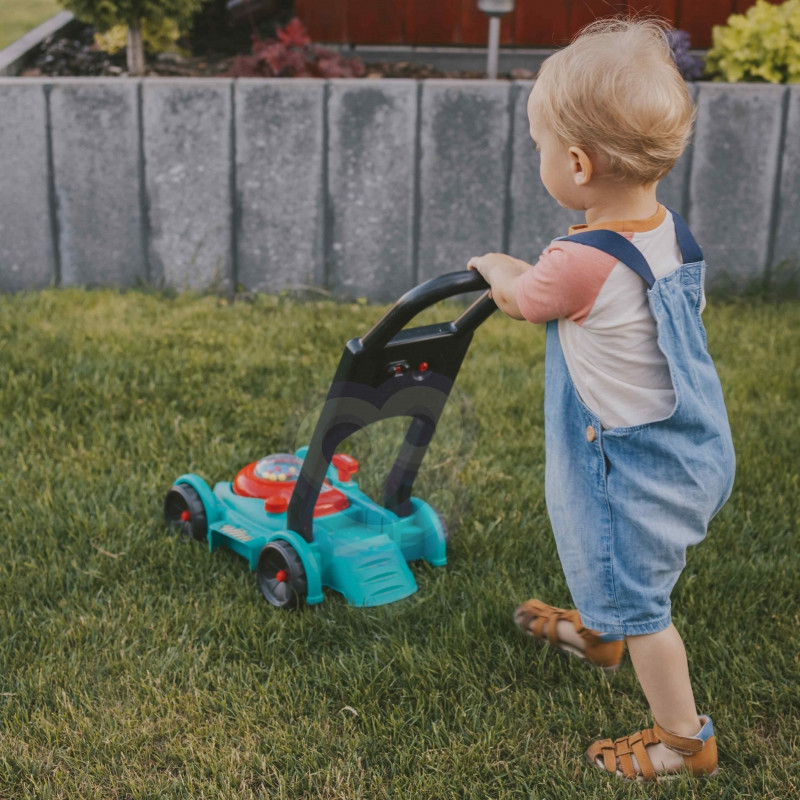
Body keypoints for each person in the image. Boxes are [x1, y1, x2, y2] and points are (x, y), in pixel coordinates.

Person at [468, 18, 735, 782]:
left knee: (644, 598)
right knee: (620, 570)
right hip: (694, 449)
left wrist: (491, 262)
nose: (541, 159)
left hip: (631, 465)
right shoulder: (670, 235)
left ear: (578, 164)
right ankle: (599, 633)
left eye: (541, 149)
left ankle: (683, 739)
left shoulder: (577, 258)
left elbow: (524, 298)